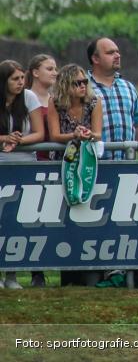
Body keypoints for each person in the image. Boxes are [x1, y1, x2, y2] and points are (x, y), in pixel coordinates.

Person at [0, 60, 47, 290]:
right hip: (2, 167)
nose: (20, 83)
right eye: (15, 79)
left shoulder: (29, 98)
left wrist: (18, 141)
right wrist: (4, 139)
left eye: (22, 78)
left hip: (25, 167)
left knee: (18, 223)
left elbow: (39, 133)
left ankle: (11, 276)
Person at [88, 38, 138, 160]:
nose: (117, 56)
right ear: (95, 59)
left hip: (126, 166)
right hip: (93, 166)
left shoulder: (129, 87)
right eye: (110, 53)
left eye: (117, 52)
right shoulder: (82, 87)